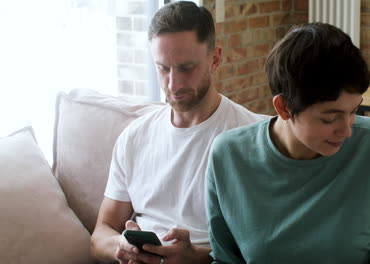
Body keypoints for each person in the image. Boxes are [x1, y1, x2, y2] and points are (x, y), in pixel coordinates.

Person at [206, 23, 370, 264]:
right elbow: (225, 258)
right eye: (330, 117)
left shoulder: (368, 143)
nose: (347, 130)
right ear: (283, 107)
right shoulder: (228, 157)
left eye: (354, 111)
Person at [90, 1, 267, 263]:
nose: (173, 84)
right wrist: (121, 246)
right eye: (163, 68)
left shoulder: (251, 138)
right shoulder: (134, 137)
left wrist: (196, 257)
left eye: (186, 68)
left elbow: (265, 246)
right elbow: (100, 235)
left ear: (215, 59)